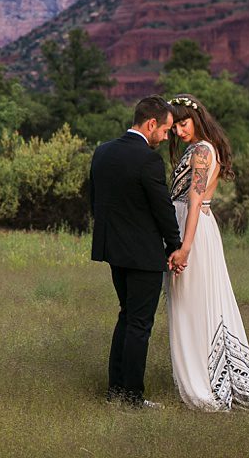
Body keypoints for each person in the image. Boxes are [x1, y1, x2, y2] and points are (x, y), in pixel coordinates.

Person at [165, 94, 249, 411]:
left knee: (189, 304)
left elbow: (195, 200)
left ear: (196, 118)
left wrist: (184, 247)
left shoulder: (201, 152)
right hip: (196, 225)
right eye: (175, 127)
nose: (180, 131)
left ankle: (203, 382)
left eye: (183, 123)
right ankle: (210, 373)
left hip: (192, 227)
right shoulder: (202, 148)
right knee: (195, 303)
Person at [89, 95, 182, 408]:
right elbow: (162, 209)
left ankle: (116, 391)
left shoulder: (102, 152)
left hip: (113, 251)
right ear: (152, 123)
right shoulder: (148, 159)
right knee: (140, 325)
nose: (166, 136)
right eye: (166, 130)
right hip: (143, 255)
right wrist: (175, 245)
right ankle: (131, 398)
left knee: (126, 317)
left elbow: (96, 203)